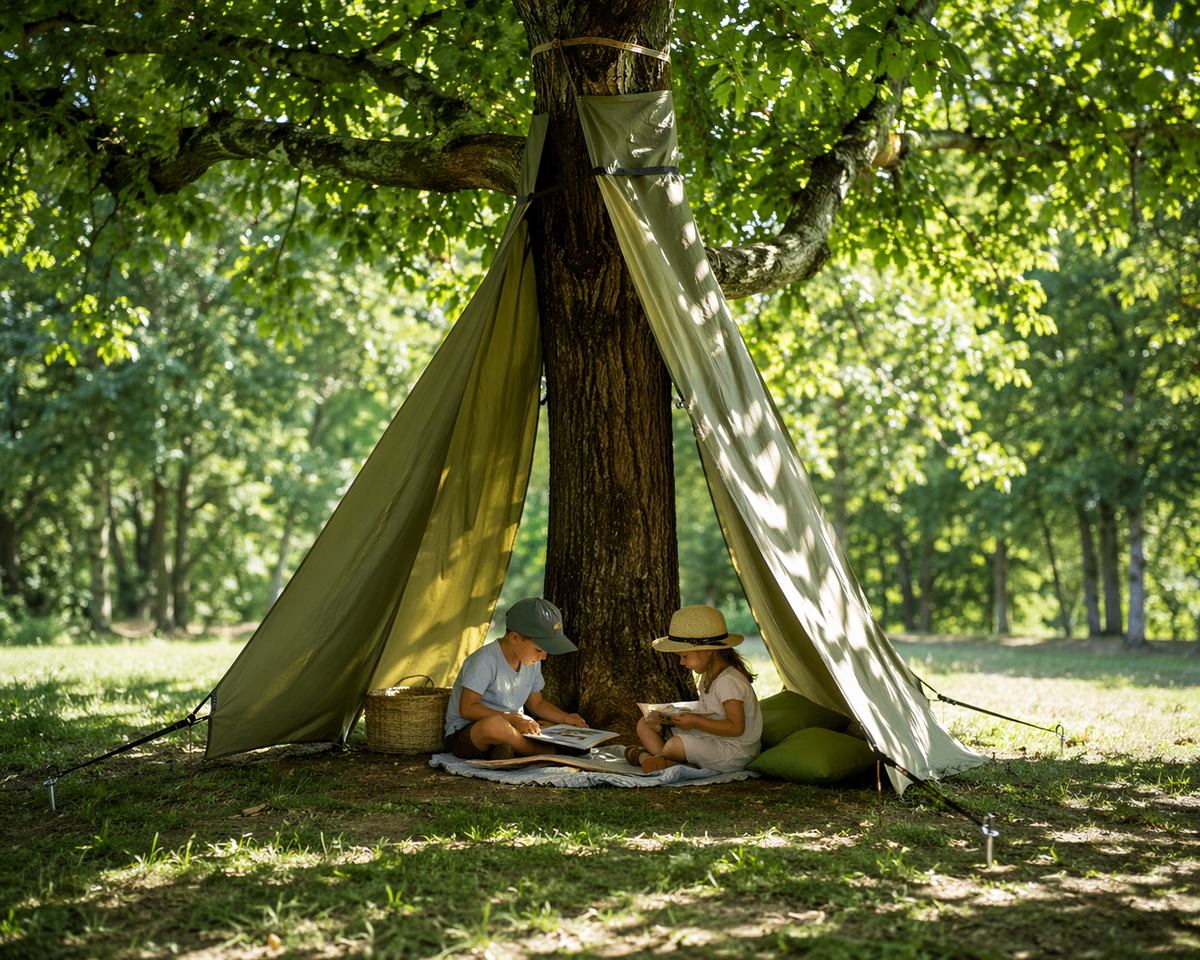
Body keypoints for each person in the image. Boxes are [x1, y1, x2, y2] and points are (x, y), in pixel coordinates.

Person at [444, 597, 588, 760]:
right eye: (539, 650)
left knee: (545, 725)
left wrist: (566, 717)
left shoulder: (531, 661)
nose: (544, 656)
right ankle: (549, 753)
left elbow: (537, 703)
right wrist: (513, 717)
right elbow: (467, 708)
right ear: (514, 638)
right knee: (495, 726)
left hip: (511, 727)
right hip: (468, 734)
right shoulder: (485, 660)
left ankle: (506, 749)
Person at [628, 605, 761, 773]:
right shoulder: (707, 676)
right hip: (712, 738)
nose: (682, 663)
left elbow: (736, 728)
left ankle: (649, 757)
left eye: (684, 656)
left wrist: (695, 721)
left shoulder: (728, 681)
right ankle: (662, 759)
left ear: (708, 650)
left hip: (734, 753)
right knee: (645, 723)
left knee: (676, 744)